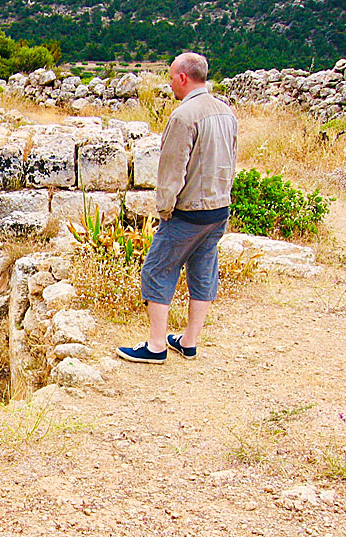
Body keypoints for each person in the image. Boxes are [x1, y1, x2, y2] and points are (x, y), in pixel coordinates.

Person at [117, 52, 238, 364]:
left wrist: (165, 209)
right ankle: (189, 341)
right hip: (219, 209)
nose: (169, 83)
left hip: (189, 211)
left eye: (171, 77)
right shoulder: (226, 111)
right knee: (204, 271)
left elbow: (173, 170)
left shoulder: (184, 117)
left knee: (157, 269)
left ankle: (156, 345)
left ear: (183, 78)